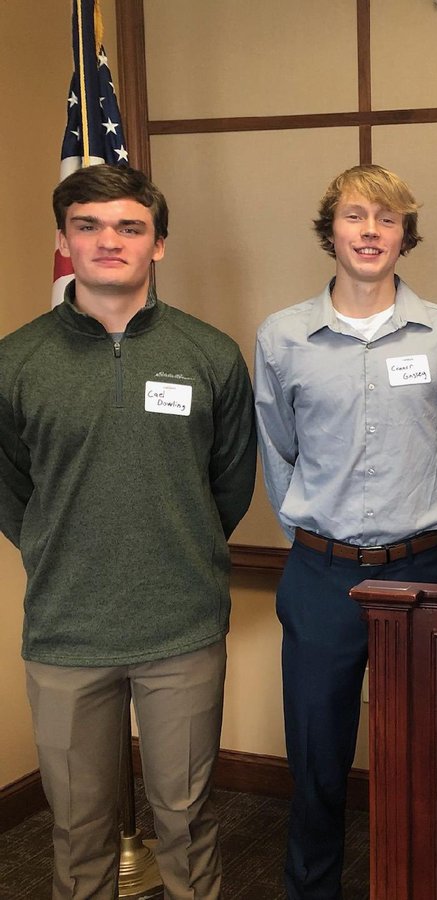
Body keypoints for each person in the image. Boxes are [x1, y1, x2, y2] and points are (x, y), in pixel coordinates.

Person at [0, 164, 257, 899]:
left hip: (181, 628)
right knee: (77, 829)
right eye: (88, 225)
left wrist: (173, 538)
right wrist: (60, 544)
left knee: (186, 818)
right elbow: (12, 490)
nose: (108, 241)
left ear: (159, 245)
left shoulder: (209, 355)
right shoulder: (16, 362)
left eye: (129, 227)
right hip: (66, 631)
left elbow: (229, 485)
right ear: (63, 239)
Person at [254, 164, 437, 899]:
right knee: (317, 762)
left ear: (404, 236)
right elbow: (277, 450)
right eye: (356, 216)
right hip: (321, 577)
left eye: (387, 220)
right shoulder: (284, 337)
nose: (370, 233)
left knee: (427, 757)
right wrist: (315, 531)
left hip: (425, 574)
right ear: (332, 230)